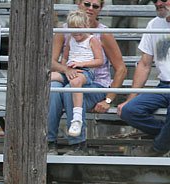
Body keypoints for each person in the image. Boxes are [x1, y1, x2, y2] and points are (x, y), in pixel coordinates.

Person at [47, 0, 127, 154]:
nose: (90, 8)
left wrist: (108, 100)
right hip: (69, 75)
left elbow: (121, 68)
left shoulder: (102, 34)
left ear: (100, 9)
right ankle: (49, 141)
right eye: (86, 4)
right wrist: (66, 69)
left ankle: (78, 144)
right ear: (78, 4)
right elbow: (51, 61)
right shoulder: (64, 30)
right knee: (53, 89)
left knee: (71, 90)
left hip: (95, 83)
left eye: (95, 6)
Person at [117, 0, 170, 157]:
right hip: (164, 86)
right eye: (154, 0)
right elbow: (144, 64)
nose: (158, 3)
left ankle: (158, 148)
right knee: (129, 111)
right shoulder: (154, 25)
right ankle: (165, 137)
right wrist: (130, 98)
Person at [50, 10, 105, 138]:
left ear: (86, 26)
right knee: (49, 78)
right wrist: (64, 68)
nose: (76, 32)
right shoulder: (70, 39)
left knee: (75, 83)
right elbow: (65, 57)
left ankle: (77, 118)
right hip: (69, 70)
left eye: (79, 28)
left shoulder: (92, 40)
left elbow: (99, 61)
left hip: (84, 71)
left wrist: (82, 64)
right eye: (73, 29)